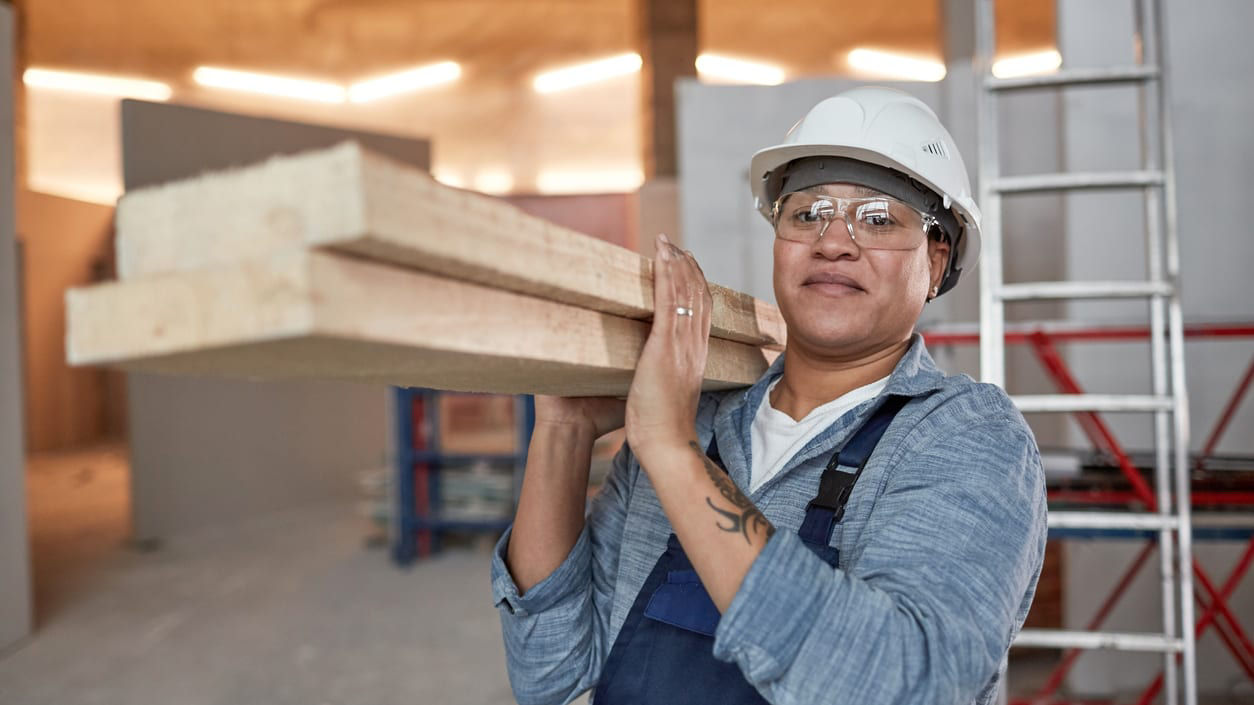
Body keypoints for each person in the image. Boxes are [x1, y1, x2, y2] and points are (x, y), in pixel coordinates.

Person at [490, 86, 1048, 705]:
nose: (833, 241)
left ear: (937, 259)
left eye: (878, 219)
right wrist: (563, 430)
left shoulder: (968, 438)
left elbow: (899, 685)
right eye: (807, 213)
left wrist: (673, 455)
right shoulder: (701, 420)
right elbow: (551, 673)